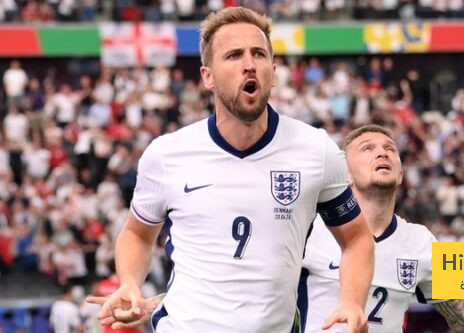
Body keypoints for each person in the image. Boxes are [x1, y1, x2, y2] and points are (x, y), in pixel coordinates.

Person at [95, 6, 374, 333]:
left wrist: (353, 301)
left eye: (258, 54)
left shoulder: (316, 149)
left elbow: (357, 237)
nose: (248, 64)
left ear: (273, 68)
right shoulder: (167, 154)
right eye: (234, 55)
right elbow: (137, 234)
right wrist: (129, 281)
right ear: (207, 76)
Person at [300, 125, 464, 332]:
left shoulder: (420, 240)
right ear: (344, 172)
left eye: (391, 149)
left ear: (401, 173)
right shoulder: (310, 228)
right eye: (367, 148)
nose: (383, 153)